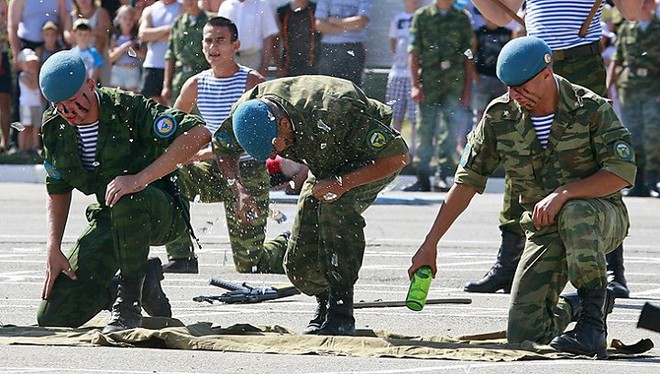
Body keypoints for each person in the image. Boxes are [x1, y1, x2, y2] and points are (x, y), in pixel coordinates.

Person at [410, 36, 636, 357]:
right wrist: (429, 244)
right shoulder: (500, 116)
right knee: (525, 333)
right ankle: (572, 307)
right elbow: (466, 182)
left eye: (522, 87)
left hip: (600, 220)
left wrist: (564, 193)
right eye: (509, 87)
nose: (514, 95)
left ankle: (592, 323)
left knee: (575, 211)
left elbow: (622, 172)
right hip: (544, 229)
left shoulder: (590, 108)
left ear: (547, 74)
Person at [466, 0, 643, 298]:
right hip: (533, 68)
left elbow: (632, 12)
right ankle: (508, 262)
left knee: (596, 160)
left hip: (582, 64)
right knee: (520, 153)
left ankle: (613, 268)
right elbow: (498, 15)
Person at [215, 75, 410, 335]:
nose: (274, 156)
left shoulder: (336, 109)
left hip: (368, 160)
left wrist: (341, 184)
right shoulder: (249, 112)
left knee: (335, 208)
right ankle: (325, 301)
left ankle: (341, 311)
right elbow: (223, 147)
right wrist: (237, 190)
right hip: (324, 166)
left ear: (284, 123)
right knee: (298, 265)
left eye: (274, 147)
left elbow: (398, 156)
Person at [36, 50, 211, 333]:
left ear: (91, 85)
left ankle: (128, 304)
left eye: (73, 101)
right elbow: (57, 187)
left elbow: (198, 133)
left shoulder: (128, 108)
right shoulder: (55, 127)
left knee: (126, 194)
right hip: (112, 217)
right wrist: (53, 246)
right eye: (60, 106)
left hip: (161, 211)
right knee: (54, 315)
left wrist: (140, 179)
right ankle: (135, 285)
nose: (69, 112)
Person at [165, 16, 289, 274]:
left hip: (248, 172)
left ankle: (288, 242)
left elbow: (269, 137)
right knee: (167, 176)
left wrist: (200, 154)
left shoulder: (253, 83)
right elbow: (171, 132)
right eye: (208, 41)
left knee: (250, 265)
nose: (213, 47)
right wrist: (181, 155)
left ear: (236, 45)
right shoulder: (195, 85)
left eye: (220, 40)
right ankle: (181, 256)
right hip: (211, 172)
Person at [402, 0, 473, 192]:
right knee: (425, 128)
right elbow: (414, 51)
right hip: (429, 82)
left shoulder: (461, 18)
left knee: (450, 129)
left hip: (453, 82)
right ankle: (422, 177)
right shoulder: (422, 16)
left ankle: (443, 175)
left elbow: (468, 54)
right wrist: (415, 85)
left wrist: (467, 90)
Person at [609, 0, 660, 197]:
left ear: (654, 6)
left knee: (652, 137)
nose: (644, 5)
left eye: (648, 2)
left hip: (652, 89)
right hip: (629, 89)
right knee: (632, 135)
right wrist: (608, 85)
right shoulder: (627, 28)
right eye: (642, 2)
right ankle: (636, 182)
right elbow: (617, 59)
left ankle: (653, 180)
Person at [385, 0, 419, 156]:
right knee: (395, 113)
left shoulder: (421, 17)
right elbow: (393, 42)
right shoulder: (398, 18)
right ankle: (394, 148)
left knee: (415, 115)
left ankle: (413, 149)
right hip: (398, 72)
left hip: (415, 74)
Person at [161, 0, 210, 105]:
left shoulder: (209, 21)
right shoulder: (178, 23)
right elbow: (170, 55)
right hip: (180, 79)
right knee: (177, 116)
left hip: (202, 79)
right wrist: (166, 85)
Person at [314, 0, 371, 87]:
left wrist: (334, 21)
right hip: (329, 48)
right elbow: (319, 25)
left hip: (353, 47)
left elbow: (360, 22)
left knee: (352, 87)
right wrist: (348, 26)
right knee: (327, 86)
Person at [218, 0, 278, 77]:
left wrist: (264, 66)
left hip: (253, 59)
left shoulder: (263, 5)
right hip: (229, 59)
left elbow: (268, 38)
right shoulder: (226, 5)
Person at [138, 0, 182, 104]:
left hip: (175, 66)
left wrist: (154, 35)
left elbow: (180, 35)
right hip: (152, 65)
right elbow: (143, 35)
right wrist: (168, 29)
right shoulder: (150, 9)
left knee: (174, 107)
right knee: (152, 108)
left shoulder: (182, 7)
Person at [275, 0, 319, 77]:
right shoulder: (282, 12)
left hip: (314, 67)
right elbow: (275, 41)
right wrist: (279, 65)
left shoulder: (316, 10)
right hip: (288, 67)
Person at [108, 5, 144, 92]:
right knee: (116, 97)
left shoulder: (137, 37)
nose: (128, 21)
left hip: (133, 70)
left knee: (132, 99)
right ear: (119, 19)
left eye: (130, 19)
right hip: (118, 69)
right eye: (125, 18)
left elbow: (143, 55)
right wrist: (123, 48)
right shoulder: (115, 37)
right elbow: (110, 58)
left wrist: (132, 50)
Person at [16, 48, 42, 155]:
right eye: (28, 63)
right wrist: (36, 74)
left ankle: (35, 147)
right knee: (25, 127)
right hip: (26, 105)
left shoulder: (36, 76)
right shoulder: (23, 76)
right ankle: (22, 148)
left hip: (37, 104)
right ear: (22, 64)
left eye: (33, 63)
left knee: (36, 126)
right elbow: (33, 86)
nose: (32, 65)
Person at [71, 18, 104, 83]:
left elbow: (96, 73)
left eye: (85, 34)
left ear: (90, 34)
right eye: (80, 34)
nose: (83, 37)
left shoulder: (94, 53)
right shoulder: (71, 53)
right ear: (74, 34)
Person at [0, 0, 11, 154]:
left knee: (4, 101)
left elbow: (7, 23)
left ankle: (6, 142)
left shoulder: (3, 3)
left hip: (1, 56)